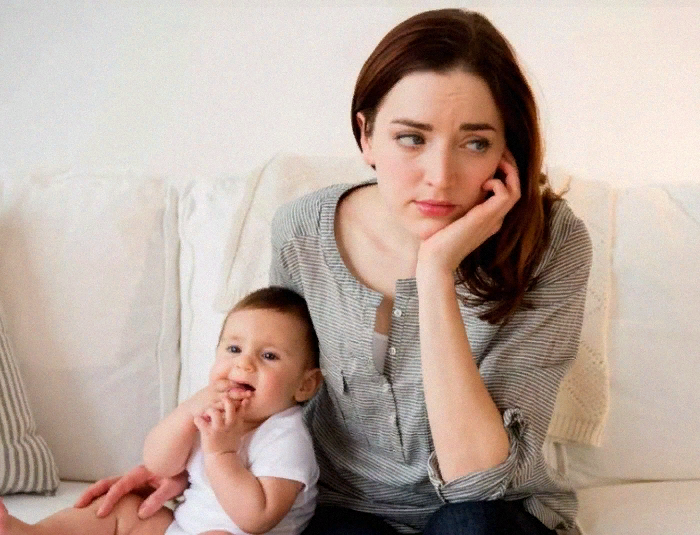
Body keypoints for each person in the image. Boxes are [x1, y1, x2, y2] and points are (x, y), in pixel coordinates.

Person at [68, 7, 591, 535]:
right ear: (366, 135)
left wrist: (434, 271)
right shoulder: (303, 233)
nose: (440, 176)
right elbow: (275, 386)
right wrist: (189, 464)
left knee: (469, 525)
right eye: (412, 138)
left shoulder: (551, 245)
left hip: (490, 513)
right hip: (346, 511)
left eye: (475, 143)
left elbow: (476, 481)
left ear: (506, 150)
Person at [0, 287, 323, 535]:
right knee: (123, 508)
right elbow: (159, 464)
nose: (243, 364)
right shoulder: (212, 411)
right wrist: (187, 411)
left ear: (305, 385)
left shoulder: (286, 437)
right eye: (233, 349)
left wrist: (221, 453)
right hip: (180, 529)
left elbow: (257, 518)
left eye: (269, 356)